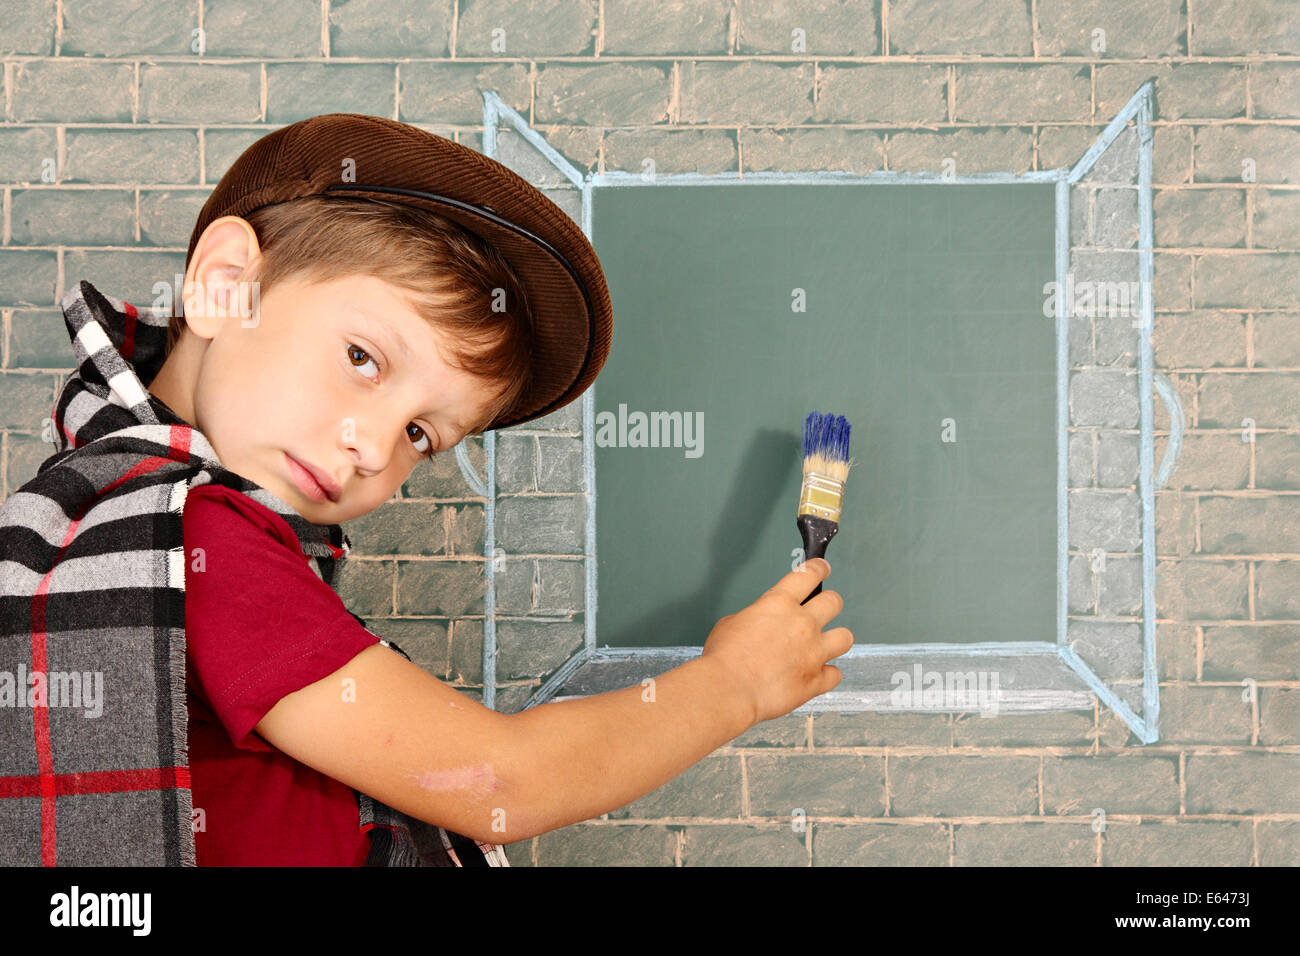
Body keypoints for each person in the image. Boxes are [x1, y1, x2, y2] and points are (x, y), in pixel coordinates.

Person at [0, 114, 852, 866]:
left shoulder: (117, 520)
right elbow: (500, 781)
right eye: (363, 359)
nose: (373, 447)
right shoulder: (197, 538)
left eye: (420, 435)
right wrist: (731, 685)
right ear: (228, 285)